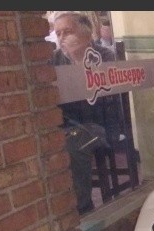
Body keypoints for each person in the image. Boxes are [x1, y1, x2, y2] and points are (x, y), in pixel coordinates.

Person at [50, 11, 119, 214]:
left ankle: (83, 207)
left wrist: (78, 60)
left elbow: (104, 102)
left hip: (101, 125)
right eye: (58, 33)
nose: (62, 38)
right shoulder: (53, 59)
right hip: (68, 124)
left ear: (87, 34)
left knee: (74, 143)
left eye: (67, 32)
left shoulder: (104, 56)